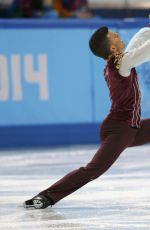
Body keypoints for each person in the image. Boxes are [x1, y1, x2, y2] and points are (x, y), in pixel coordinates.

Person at [24, 20, 150, 209]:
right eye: (114, 36)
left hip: (130, 128)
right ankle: (45, 197)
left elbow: (142, 35)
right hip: (120, 130)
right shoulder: (121, 62)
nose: (118, 35)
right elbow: (143, 48)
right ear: (112, 47)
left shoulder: (118, 61)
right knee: (94, 170)